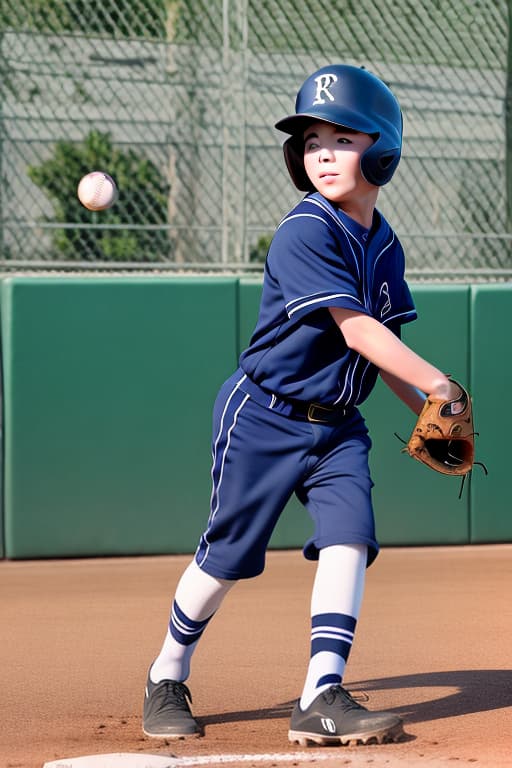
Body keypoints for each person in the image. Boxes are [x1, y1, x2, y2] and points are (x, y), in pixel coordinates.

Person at [143, 64, 461, 747]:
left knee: (350, 538)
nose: (321, 150)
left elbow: (384, 349)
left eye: (342, 137)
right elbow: (356, 329)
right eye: (311, 138)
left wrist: (421, 408)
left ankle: (321, 693)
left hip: (339, 428)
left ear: (383, 150)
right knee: (226, 557)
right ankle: (166, 671)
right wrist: (441, 386)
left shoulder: (384, 245)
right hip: (263, 416)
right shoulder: (306, 231)